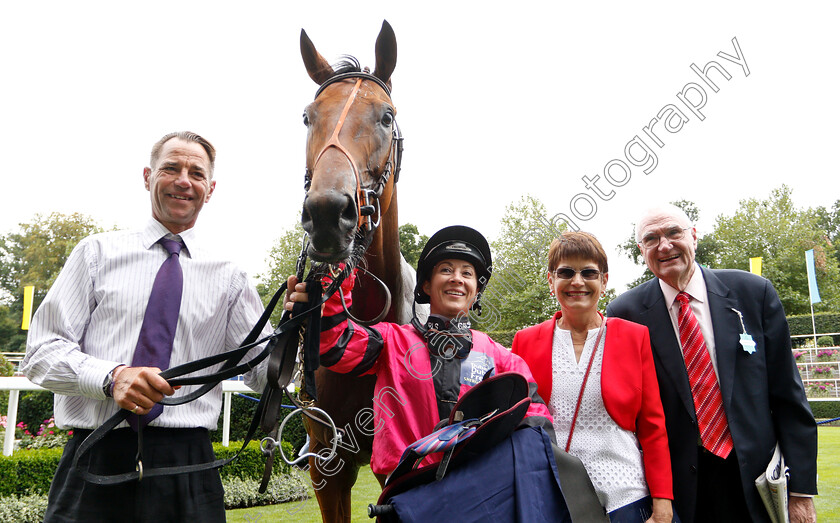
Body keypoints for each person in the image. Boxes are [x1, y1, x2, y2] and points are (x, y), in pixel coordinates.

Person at [22, 131, 272, 522]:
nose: (183, 180)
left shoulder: (232, 278)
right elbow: (40, 352)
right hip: (95, 455)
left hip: (188, 465)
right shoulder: (95, 253)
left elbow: (264, 376)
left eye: (196, 173)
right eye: (170, 168)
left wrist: (301, 326)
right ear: (147, 176)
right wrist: (112, 377)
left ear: (210, 189)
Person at [286, 225, 607, 520]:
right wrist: (323, 290)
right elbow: (334, 344)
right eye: (446, 270)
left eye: (467, 273)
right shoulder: (391, 342)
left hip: (477, 506)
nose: (457, 278)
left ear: (476, 290)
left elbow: (536, 430)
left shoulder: (501, 359)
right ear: (426, 284)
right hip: (408, 502)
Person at [606, 204, 818, 523]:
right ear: (641, 250)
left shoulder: (753, 293)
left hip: (758, 484)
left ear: (694, 236)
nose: (664, 245)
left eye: (674, 232)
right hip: (679, 493)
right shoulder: (625, 313)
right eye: (651, 239)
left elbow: (789, 397)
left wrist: (801, 492)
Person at [512, 231, 675, 523]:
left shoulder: (634, 336)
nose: (577, 281)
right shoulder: (524, 342)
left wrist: (663, 504)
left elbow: (652, 425)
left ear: (604, 280)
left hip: (627, 496)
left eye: (588, 272)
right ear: (551, 281)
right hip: (557, 499)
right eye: (565, 272)